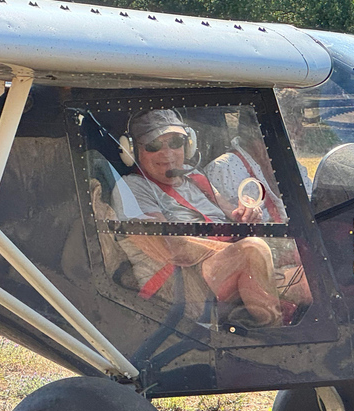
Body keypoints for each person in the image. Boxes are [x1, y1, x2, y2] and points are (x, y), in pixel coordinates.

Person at [110, 109, 309, 327]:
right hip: (178, 282)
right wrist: (236, 251)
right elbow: (167, 245)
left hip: (217, 270)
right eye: (153, 145)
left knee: (307, 273)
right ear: (131, 150)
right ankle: (275, 334)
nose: (167, 153)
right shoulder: (131, 188)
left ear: (188, 145)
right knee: (253, 251)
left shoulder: (193, 175)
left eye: (175, 142)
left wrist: (246, 216)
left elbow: (232, 215)